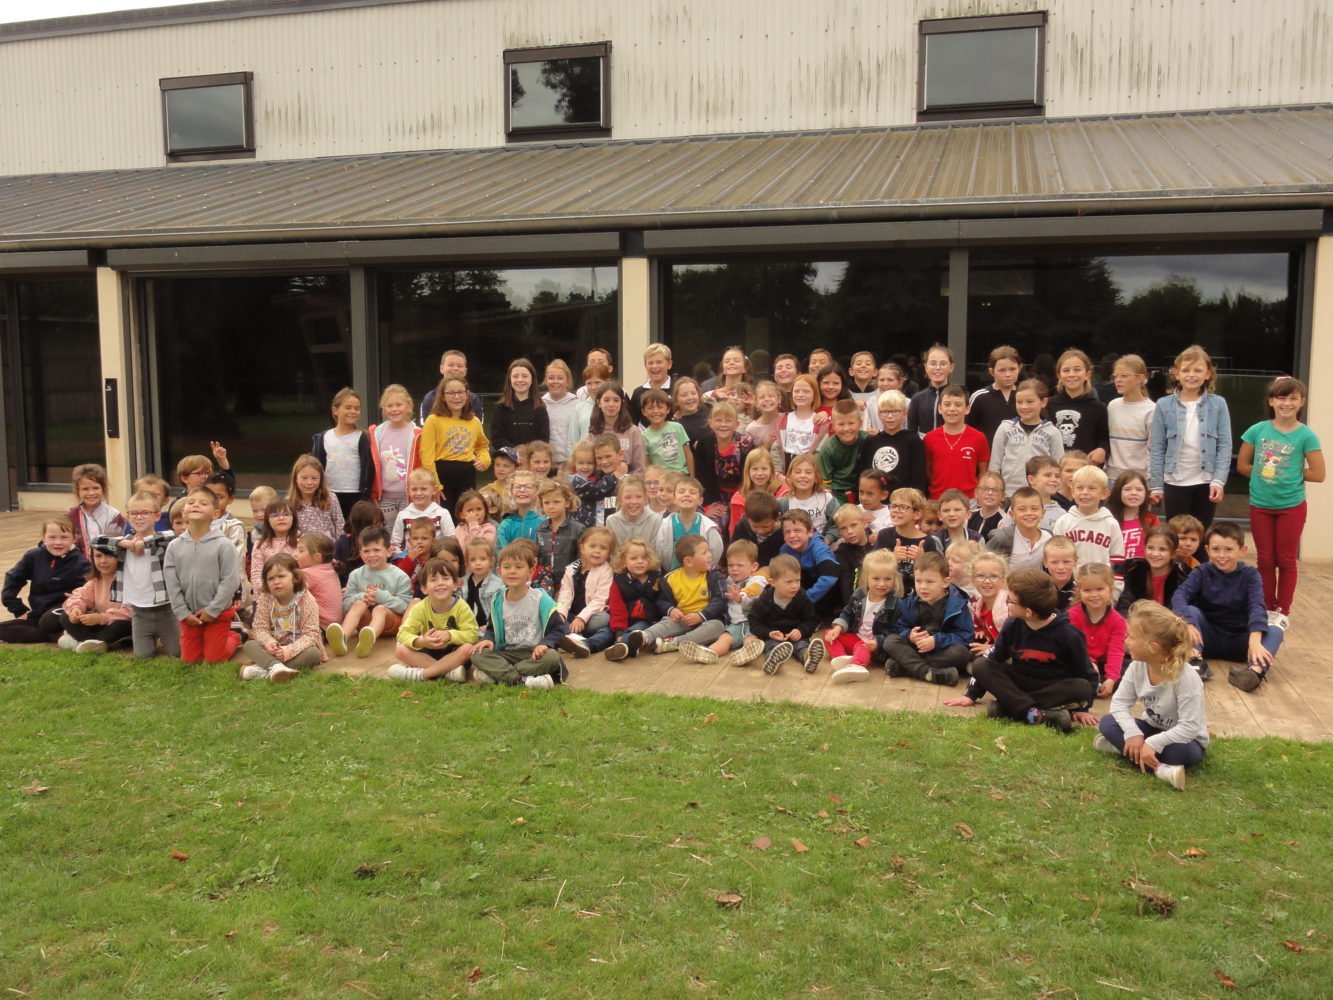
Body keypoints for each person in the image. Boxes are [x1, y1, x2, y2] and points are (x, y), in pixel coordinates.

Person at [944, 569, 1098, 732]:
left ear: (1028, 611)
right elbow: (995, 658)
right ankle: (1036, 713)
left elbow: (1087, 674)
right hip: (1018, 682)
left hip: (1052, 687)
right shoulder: (1012, 625)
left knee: (1082, 687)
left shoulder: (1070, 635)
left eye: (1010, 600)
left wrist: (1083, 709)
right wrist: (971, 695)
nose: (1006, 602)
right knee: (981, 664)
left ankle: (1008, 708)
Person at [1237, 375, 1324, 628]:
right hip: (1261, 505)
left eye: (1293, 398)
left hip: (1291, 506)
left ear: (1301, 402)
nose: (1287, 403)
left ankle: (1281, 611)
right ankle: (1265, 607)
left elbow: (1318, 474)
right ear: (1271, 401)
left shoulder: (1307, 436)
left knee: (1285, 559)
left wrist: (1288, 473)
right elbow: (1243, 465)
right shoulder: (1257, 431)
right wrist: (1266, 472)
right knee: (1264, 559)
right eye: (1281, 397)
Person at [1095, 600, 1208, 791]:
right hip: (1151, 728)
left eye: (1131, 637)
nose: (1126, 641)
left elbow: (1189, 727)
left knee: (1180, 753)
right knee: (1107, 722)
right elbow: (1119, 704)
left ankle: (1133, 755)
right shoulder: (1136, 667)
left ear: (1153, 647)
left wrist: (1153, 743)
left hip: (1185, 740)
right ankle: (1160, 769)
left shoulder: (1186, 677)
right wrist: (1134, 733)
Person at [1171, 521, 1282, 693]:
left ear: (1242, 551)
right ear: (1207, 550)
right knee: (1190, 613)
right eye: (1216, 549)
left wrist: (1255, 639)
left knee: (1275, 631)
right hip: (1206, 639)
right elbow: (1179, 596)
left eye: (1229, 549)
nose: (1222, 555)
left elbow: (1257, 606)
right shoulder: (1201, 572)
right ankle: (1195, 662)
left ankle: (1254, 673)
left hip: (1241, 642)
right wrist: (1188, 622)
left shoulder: (1251, 575)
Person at [1148, 345, 1231, 529]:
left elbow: (1225, 445)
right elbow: (1157, 447)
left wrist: (1218, 480)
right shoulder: (1163, 405)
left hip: (1206, 480)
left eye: (1197, 370)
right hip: (1175, 480)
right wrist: (1156, 485)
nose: (1191, 375)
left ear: (1208, 374)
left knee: (1200, 536)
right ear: (1176, 374)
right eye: (1186, 370)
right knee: (1177, 536)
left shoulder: (1218, 404)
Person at [95, 492, 179, 658]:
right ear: (127, 516)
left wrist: (142, 544)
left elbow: (172, 535)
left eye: (145, 513)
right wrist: (125, 543)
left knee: (177, 652)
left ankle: (166, 637)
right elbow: (96, 540)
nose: (139, 517)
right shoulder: (124, 543)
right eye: (133, 513)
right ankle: (148, 639)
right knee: (143, 655)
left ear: (157, 516)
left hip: (165, 610)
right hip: (139, 613)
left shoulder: (162, 541)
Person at [164, 488, 243, 663]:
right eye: (191, 502)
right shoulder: (174, 547)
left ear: (215, 514)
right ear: (184, 512)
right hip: (189, 615)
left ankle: (234, 637)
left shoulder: (224, 545)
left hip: (217, 614)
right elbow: (171, 582)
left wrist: (212, 610)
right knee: (190, 661)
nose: (196, 505)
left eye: (203, 503)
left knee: (214, 659)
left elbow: (230, 581)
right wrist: (183, 612)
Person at [882, 551, 973, 686]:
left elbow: (966, 636)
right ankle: (930, 673)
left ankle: (905, 668)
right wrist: (910, 636)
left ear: (945, 582)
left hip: (941, 652)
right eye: (918, 581)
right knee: (890, 641)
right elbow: (899, 628)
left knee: (961, 652)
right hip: (915, 650)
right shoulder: (910, 602)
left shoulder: (957, 605)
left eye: (930, 581)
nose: (923, 587)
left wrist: (937, 641)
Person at [627, 534, 726, 657]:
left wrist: (701, 615)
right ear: (688, 561)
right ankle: (645, 637)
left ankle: (673, 643)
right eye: (704, 552)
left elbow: (721, 599)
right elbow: (661, 600)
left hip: (708, 619)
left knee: (716, 627)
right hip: (682, 618)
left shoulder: (714, 576)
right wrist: (671, 610)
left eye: (708, 551)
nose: (710, 555)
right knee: (667, 622)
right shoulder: (670, 578)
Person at [385, 558, 481, 683]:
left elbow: (473, 635)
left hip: (454, 653)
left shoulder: (461, 606)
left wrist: (449, 635)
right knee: (400, 650)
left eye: (446, 578)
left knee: (468, 648)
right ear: (424, 588)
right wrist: (421, 642)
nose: (440, 583)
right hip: (429, 651)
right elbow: (403, 634)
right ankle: (449, 673)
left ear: (455, 584)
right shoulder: (420, 607)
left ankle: (422, 674)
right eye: (434, 580)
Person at [238, 553, 327, 683]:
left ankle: (262, 669)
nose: (276, 582)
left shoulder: (307, 600)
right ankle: (277, 668)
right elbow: (259, 628)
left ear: (295, 577)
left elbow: (311, 634)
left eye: (281, 576)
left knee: (313, 654)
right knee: (250, 645)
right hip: (273, 648)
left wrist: (288, 651)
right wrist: (269, 643)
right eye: (270, 578)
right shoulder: (265, 599)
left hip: (298, 649)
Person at [327, 525, 412, 659]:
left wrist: (382, 597)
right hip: (364, 625)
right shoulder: (356, 574)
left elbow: (404, 607)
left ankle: (369, 639)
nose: (371, 555)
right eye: (366, 551)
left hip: (390, 624)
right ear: (360, 553)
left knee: (380, 609)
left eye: (377, 550)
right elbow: (346, 604)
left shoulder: (400, 576)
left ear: (389, 551)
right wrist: (363, 597)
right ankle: (342, 638)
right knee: (358, 603)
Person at [679, 538, 767, 665]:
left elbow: (754, 591)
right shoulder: (728, 580)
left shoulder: (758, 579)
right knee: (724, 639)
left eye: (740, 565)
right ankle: (708, 652)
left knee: (750, 639)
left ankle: (747, 653)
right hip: (735, 624)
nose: (734, 569)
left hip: (753, 623)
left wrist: (741, 596)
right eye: (731, 565)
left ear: (754, 566)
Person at [824, 548, 902, 684]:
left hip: (873, 646)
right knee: (828, 634)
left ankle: (857, 666)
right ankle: (841, 659)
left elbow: (897, 631)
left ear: (895, 579)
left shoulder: (895, 603)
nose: (882, 584)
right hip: (856, 638)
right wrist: (838, 628)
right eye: (876, 579)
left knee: (862, 647)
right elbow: (847, 613)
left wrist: (879, 642)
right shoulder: (859, 595)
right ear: (866, 578)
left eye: (888, 579)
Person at [419, 373, 491, 515]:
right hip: (442, 477)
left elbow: (482, 445)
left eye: (460, 392)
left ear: (467, 394)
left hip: (466, 476)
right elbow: (426, 456)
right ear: (443, 396)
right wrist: (435, 485)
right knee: (444, 518)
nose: (456, 397)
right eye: (451, 393)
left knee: (466, 517)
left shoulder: (474, 421)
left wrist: (485, 460)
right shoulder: (433, 420)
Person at [745, 553, 823, 675]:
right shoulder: (764, 600)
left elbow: (812, 620)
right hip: (773, 636)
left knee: (802, 645)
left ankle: (808, 658)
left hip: (796, 636)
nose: (795, 586)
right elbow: (754, 623)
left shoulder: (802, 597)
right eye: (789, 582)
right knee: (772, 647)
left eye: (798, 581)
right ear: (773, 582)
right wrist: (768, 633)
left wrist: (801, 630)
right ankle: (774, 662)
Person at [989, 378, 1063, 497]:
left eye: (1030, 402)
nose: (1024, 406)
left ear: (1043, 402)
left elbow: (1059, 467)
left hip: (1040, 495)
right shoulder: (1005, 428)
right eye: (1019, 402)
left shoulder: (1053, 432)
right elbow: (994, 466)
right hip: (1009, 494)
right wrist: (996, 491)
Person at [311, 387, 373, 519]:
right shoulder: (324, 438)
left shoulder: (362, 437)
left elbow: (368, 468)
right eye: (348, 407)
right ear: (335, 410)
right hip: (329, 494)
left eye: (357, 408)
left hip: (354, 495)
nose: (353, 411)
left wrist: (364, 496)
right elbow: (317, 467)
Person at [56, 547, 132, 654]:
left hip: (121, 623)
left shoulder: (130, 580)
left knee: (119, 626)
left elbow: (131, 611)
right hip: (101, 623)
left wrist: (102, 618)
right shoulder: (96, 581)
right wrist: (76, 609)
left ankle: (82, 641)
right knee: (65, 616)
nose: (103, 561)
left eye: (109, 555)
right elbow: (79, 596)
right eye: (98, 556)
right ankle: (94, 643)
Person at [555, 526, 616, 657]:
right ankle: (574, 637)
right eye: (592, 546)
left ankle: (587, 644)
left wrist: (581, 618)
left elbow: (600, 600)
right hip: (571, 616)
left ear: (609, 553)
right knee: (555, 619)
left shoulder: (606, 571)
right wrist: (561, 614)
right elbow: (564, 595)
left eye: (603, 548)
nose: (597, 551)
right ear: (582, 548)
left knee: (605, 621)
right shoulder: (571, 569)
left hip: (591, 618)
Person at [1053, 465, 1124, 577]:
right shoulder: (1063, 522)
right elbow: (1056, 556)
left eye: (1092, 488)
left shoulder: (1111, 524)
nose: (1085, 492)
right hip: (1070, 584)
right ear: (1072, 491)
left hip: (1101, 584)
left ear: (1104, 493)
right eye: (1080, 488)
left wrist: (1116, 589)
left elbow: (1117, 558)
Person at [1069, 563, 1126, 697]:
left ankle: (1101, 685)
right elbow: (1073, 647)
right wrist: (1088, 662)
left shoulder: (1118, 621)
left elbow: (1116, 651)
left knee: (1127, 672)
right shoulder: (1072, 615)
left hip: (1104, 663)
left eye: (1100, 589)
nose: (1094, 595)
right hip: (1080, 660)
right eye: (1087, 590)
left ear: (1111, 590)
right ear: (1079, 592)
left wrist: (1111, 678)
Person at [692, 401, 753, 525]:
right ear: (711, 423)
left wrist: (739, 501)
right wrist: (707, 505)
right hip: (715, 497)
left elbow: (749, 476)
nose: (723, 424)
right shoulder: (704, 443)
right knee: (715, 523)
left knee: (742, 524)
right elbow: (701, 477)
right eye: (718, 420)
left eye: (728, 420)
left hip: (742, 495)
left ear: (737, 424)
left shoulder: (746, 443)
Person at [923, 385, 989, 499]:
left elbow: (983, 472)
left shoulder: (979, 437)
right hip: (937, 499)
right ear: (940, 408)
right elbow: (928, 472)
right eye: (947, 404)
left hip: (969, 499)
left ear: (967, 409)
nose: (952, 409)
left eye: (958, 404)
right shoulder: (929, 438)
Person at [368, 383, 422, 522]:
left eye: (398, 405)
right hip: (385, 497)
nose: (394, 409)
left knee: (410, 532)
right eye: (390, 406)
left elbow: (423, 465)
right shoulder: (377, 433)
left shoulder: (417, 434)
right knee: (388, 533)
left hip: (410, 496)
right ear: (384, 409)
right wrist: (374, 494)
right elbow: (374, 466)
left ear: (409, 406)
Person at [873, 486, 942, 594]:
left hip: (917, 598)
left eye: (902, 507)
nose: (896, 510)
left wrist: (922, 560)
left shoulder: (928, 541)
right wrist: (892, 559)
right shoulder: (884, 535)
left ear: (917, 514)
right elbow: (873, 570)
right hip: (889, 595)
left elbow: (936, 576)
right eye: (893, 506)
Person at [604, 536, 664, 660]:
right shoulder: (619, 581)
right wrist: (619, 630)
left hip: (647, 622)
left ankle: (620, 646)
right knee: (605, 632)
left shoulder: (657, 579)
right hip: (623, 620)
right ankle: (587, 644)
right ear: (623, 562)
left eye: (644, 557)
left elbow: (662, 602)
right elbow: (617, 607)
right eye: (633, 558)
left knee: (635, 631)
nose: (640, 561)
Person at [1050, 349, 1110, 466]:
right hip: (1054, 469)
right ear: (1059, 375)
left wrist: (1102, 449)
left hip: (1085, 470)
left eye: (1077, 370)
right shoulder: (1048, 405)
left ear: (1087, 374)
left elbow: (1104, 438)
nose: (1071, 374)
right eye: (1066, 370)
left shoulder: (1098, 407)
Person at [1116, 525, 1190, 615]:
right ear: (1144, 549)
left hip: (1170, 625)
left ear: (1173, 554)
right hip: (1138, 624)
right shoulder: (1134, 569)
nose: (1155, 554)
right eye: (1150, 548)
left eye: (1162, 549)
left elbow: (1183, 611)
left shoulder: (1183, 576)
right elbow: (1124, 602)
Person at [777, 508, 840, 613]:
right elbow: (778, 578)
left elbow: (830, 576)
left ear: (810, 531)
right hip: (804, 588)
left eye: (797, 530)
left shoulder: (819, 547)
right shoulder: (785, 550)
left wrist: (806, 599)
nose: (792, 535)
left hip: (826, 590)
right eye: (787, 532)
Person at [1106, 354, 1154, 483]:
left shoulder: (1151, 410)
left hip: (1139, 479)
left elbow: (1153, 449)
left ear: (1140, 378)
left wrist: (1151, 482)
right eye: (1115, 376)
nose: (1118, 380)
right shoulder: (1113, 406)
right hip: (1111, 477)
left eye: (1124, 376)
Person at [658, 476, 724, 570]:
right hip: (674, 576)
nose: (686, 494)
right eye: (681, 492)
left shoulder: (708, 527)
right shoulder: (666, 525)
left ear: (700, 500)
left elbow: (715, 551)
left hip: (700, 577)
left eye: (692, 492)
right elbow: (662, 552)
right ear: (674, 499)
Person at [67, 462, 126, 560]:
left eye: (95, 488)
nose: (91, 493)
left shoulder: (114, 516)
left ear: (103, 489)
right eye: (85, 489)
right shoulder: (72, 516)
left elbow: (117, 545)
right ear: (78, 491)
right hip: (80, 568)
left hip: (106, 565)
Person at [778, 453, 840, 545]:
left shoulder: (827, 499)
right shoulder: (784, 502)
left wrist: (827, 539)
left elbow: (838, 524)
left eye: (808, 472)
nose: (803, 475)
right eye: (798, 472)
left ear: (816, 477)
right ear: (790, 476)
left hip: (822, 545)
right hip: (793, 547)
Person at [533, 479, 582, 595]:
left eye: (556, 502)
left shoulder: (578, 529)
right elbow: (538, 555)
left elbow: (581, 559)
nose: (551, 507)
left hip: (570, 584)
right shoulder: (540, 528)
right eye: (547, 503)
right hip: (544, 584)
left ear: (567, 503)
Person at [967, 345, 1023, 446]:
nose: (1008, 374)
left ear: (1019, 368)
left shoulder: (1027, 396)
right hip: (988, 458)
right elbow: (967, 429)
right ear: (992, 372)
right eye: (1002, 370)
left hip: (1020, 458)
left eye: (1012, 369)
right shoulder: (979, 397)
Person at [985, 486, 1050, 571]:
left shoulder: (1049, 538)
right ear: (1012, 515)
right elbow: (984, 566)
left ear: (1043, 513)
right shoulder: (1002, 539)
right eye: (1022, 509)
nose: (1029, 513)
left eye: (1034, 508)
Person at [589, 381, 647, 475]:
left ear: (622, 402)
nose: (611, 404)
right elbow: (589, 467)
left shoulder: (633, 431)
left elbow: (640, 468)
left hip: (628, 486)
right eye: (606, 400)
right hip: (600, 486)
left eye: (616, 400)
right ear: (599, 403)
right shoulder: (593, 433)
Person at [491, 357, 549, 452]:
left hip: (532, 462)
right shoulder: (500, 408)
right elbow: (497, 440)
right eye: (515, 376)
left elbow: (544, 440)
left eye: (525, 376)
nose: (520, 380)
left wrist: (527, 453)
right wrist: (516, 451)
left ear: (532, 379)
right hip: (508, 462)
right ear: (509, 379)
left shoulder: (540, 408)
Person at [390, 467, 454, 549]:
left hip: (436, 559)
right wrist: (404, 559)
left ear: (434, 490)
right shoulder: (403, 515)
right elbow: (395, 543)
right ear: (408, 491)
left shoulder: (442, 513)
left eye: (423, 489)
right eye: (414, 489)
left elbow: (450, 541)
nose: (418, 493)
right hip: (411, 559)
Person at [818, 400, 870, 501]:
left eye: (851, 423)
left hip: (864, 489)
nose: (846, 428)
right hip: (838, 492)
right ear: (833, 426)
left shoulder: (868, 440)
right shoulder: (828, 448)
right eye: (841, 424)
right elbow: (825, 482)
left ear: (860, 423)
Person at [249, 499, 302, 596]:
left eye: (286, 514)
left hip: (297, 595)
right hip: (267, 596)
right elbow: (256, 574)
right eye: (275, 515)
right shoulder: (260, 545)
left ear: (294, 518)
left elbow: (306, 571)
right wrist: (267, 593)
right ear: (267, 520)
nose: (281, 518)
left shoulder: (302, 542)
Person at [418, 349, 483, 426]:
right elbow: (426, 431)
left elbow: (477, 431)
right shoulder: (430, 398)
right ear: (441, 368)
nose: (455, 368)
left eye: (460, 366)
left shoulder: (473, 399)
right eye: (450, 365)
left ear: (465, 371)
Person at [288, 454, 344, 542]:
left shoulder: (330, 498)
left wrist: (341, 549)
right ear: (296, 478)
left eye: (314, 478)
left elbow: (340, 526)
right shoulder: (288, 502)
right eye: (304, 478)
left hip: (328, 550)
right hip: (302, 550)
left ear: (321, 479)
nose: (309, 482)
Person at [639, 388, 694, 476]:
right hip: (660, 480)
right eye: (650, 408)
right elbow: (647, 463)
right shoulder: (643, 436)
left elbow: (688, 454)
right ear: (644, 412)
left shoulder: (677, 427)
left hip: (682, 476)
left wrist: (692, 476)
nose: (656, 411)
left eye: (660, 407)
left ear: (668, 409)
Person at [776, 374, 826, 467]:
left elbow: (820, 452)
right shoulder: (783, 419)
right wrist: (779, 473)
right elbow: (777, 449)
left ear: (814, 395)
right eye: (796, 391)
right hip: (785, 466)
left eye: (806, 391)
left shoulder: (820, 423)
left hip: (807, 467)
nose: (800, 395)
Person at [907, 343, 955, 436]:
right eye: (933, 363)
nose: (937, 368)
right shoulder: (917, 399)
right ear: (926, 367)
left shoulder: (959, 397)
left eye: (943, 364)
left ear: (951, 367)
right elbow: (911, 433)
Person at [1107, 471, 1157, 560]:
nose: (1134, 493)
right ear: (1118, 492)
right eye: (1127, 489)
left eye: (1139, 489)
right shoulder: (1108, 519)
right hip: (1114, 570)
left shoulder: (1151, 519)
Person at [296, 533, 342, 629]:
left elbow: (291, 597)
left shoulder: (307, 573)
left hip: (319, 627)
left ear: (317, 557)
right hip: (335, 625)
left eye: (301, 551)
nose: (295, 554)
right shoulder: (331, 567)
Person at [606, 475, 660, 551]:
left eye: (638, 496)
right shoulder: (612, 521)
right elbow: (612, 552)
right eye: (628, 497)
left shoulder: (655, 520)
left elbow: (655, 553)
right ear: (620, 500)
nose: (634, 501)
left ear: (645, 498)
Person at [731, 490, 785, 567]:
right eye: (755, 526)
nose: (760, 531)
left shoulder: (783, 533)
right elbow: (733, 551)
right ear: (748, 518)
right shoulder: (742, 527)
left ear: (777, 517)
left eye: (766, 526)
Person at [541, 359, 580, 464]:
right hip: (545, 463)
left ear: (567, 381)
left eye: (560, 378)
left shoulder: (577, 404)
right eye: (551, 378)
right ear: (546, 380)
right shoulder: (540, 405)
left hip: (570, 462)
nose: (555, 381)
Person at [629, 343, 675, 425]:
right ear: (645, 365)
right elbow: (632, 423)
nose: (654, 366)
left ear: (669, 364)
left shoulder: (677, 390)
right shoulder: (638, 393)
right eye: (650, 363)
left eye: (659, 362)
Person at [496, 470, 542, 547]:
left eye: (528, 486)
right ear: (511, 491)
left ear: (537, 490)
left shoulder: (545, 523)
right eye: (517, 486)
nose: (522, 490)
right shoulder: (506, 525)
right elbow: (502, 554)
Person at [968, 471, 1010, 541]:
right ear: (976, 493)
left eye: (995, 490)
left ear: (1003, 496)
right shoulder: (969, 516)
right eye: (985, 489)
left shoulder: (1004, 521)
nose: (990, 493)